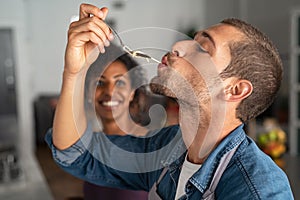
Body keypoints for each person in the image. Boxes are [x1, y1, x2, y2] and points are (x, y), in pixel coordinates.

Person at [45, 3, 294, 199]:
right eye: (192, 40)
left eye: (203, 49)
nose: (177, 45)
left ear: (234, 89)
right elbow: (76, 153)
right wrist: (74, 72)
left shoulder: (257, 189)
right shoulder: (167, 148)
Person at [82, 44, 150, 199]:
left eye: (119, 82)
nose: (110, 92)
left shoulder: (151, 146)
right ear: (88, 92)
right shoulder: (91, 145)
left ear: (132, 92)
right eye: (100, 82)